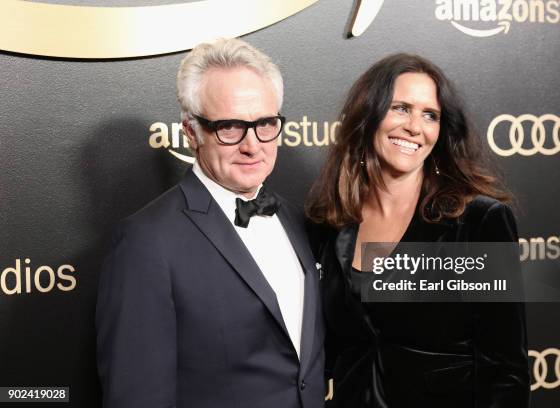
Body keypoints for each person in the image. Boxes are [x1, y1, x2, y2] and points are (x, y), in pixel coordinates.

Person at [96, 38, 325, 408]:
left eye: (265, 123)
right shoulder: (146, 242)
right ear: (191, 132)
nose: (253, 145)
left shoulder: (297, 220)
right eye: (230, 127)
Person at [306, 54, 529, 407]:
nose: (414, 126)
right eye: (400, 108)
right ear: (368, 115)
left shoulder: (477, 222)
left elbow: (506, 369)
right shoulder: (330, 222)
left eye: (430, 115)